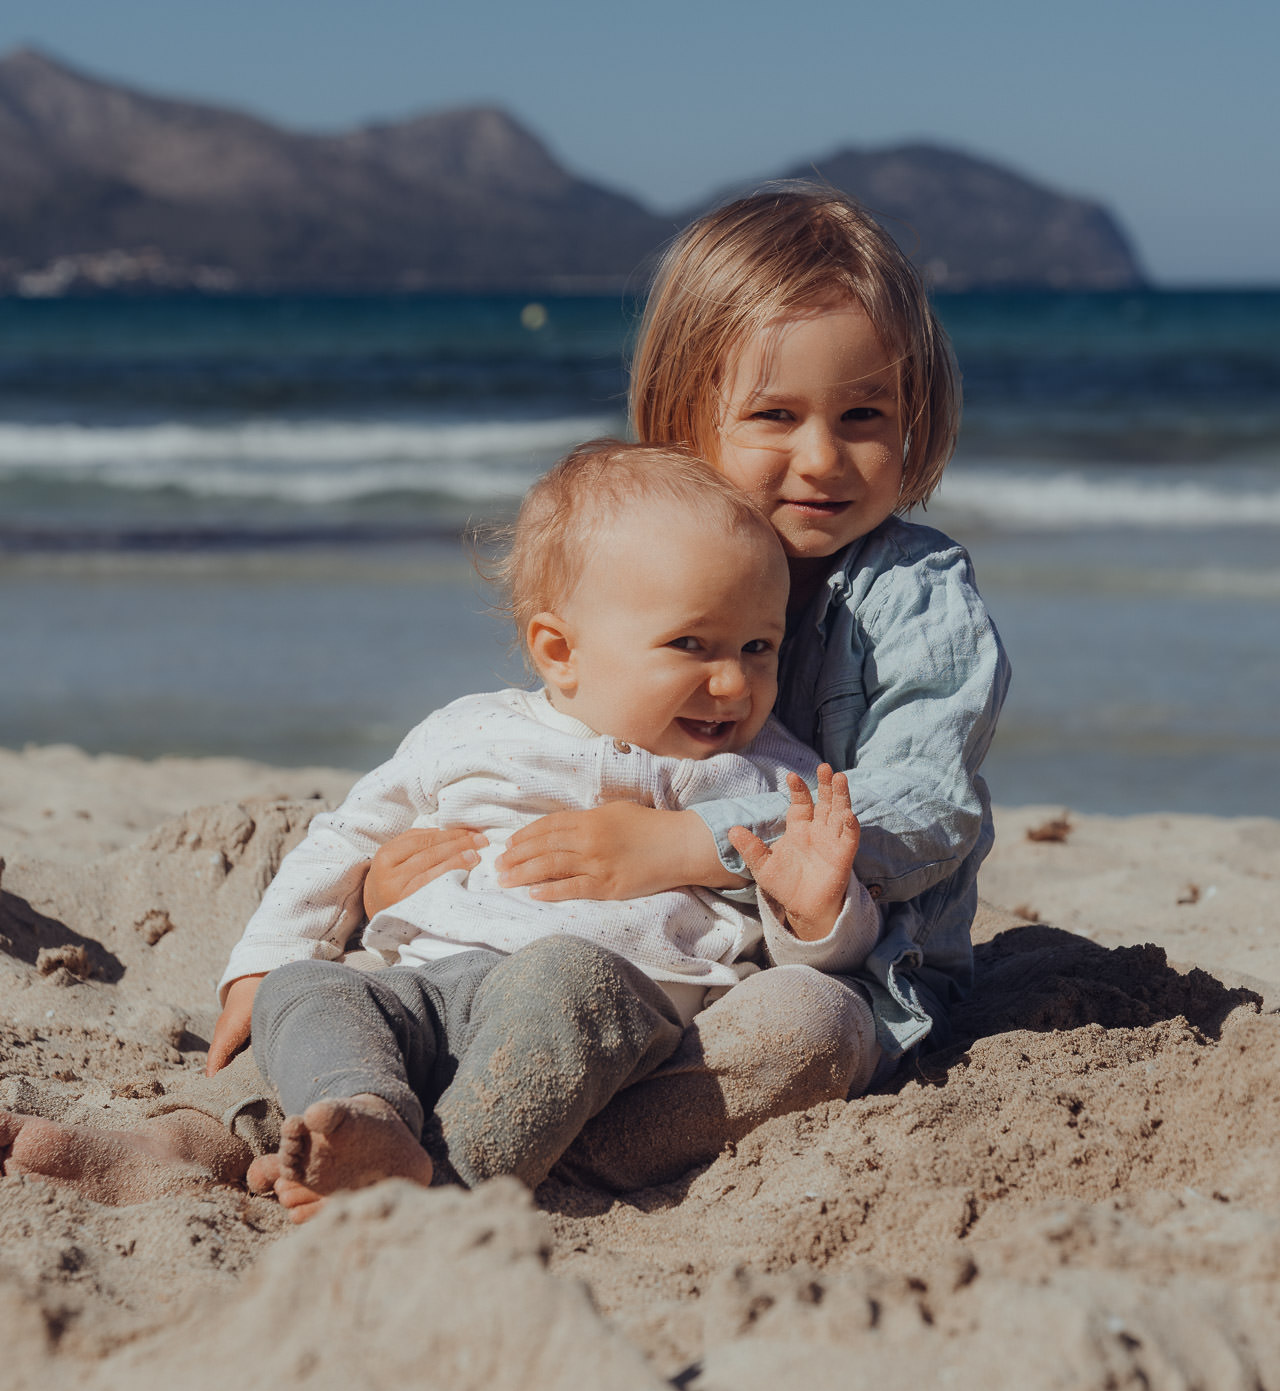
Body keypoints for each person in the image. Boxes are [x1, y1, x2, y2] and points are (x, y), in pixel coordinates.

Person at [1, 442, 882, 1213]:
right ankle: (277, 1137)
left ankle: (438, 1181)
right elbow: (344, 840)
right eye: (693, 646)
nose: (733, 684)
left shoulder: (771, 772)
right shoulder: (470, 732)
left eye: (757, 648)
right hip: (422, 992)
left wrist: (815, 916)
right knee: (311, 998)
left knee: (816, 1015)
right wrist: (263, 964)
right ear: (559, 651)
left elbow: (808, 921)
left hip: (620, 1028)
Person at [364, 184, 1010, 1069]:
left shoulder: (916, 598)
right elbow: (572, 746)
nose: (822, 458)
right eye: (775, 415)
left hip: (856, 967)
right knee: (463, 990)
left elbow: (934, 806)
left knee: (802, 1029)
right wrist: (416, 869)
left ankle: (652, 1123)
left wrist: (689, 843)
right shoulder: (652, 558)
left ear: (916, 415)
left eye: (864, 416)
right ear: (685, 418)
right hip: (645, 941)